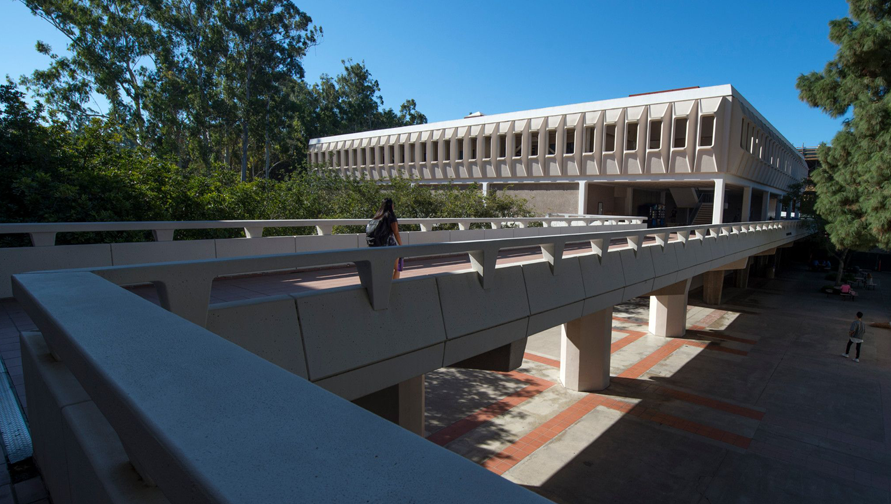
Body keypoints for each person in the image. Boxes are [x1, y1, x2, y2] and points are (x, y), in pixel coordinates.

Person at [369, 198, 403, 279]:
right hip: (389, 245)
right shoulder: (390, 215)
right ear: (391, 205)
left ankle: (383, 285)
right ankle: (394, 286)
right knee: (397, 268)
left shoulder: (376, 216)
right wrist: (401, 245)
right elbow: (396, 232)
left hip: (376, 246)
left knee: (383, 268)